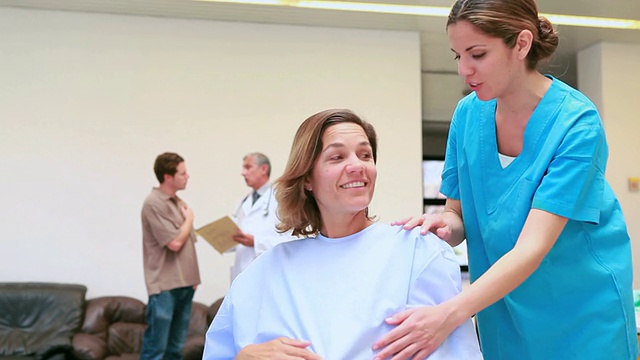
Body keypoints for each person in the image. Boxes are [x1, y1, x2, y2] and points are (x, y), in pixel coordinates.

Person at [372, 0, 638, 359]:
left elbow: (533, 246)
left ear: (522, 44)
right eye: (457, 56)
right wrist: (444, 226)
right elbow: (458, 213)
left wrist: (448, 315)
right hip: (502, 305)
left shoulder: (577, 123)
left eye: (477, 54)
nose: (464, 69)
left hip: (581, 310)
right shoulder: (467, 115)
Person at [203, 109, 482, 359]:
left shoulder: (416, 250)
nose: (357, 166)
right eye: (337, 157)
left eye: (365, 155)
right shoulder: (266, 270)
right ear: (308, 178)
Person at [140, 152, 201, 360]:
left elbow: (187, 244)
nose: (187, 177)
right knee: (156, 350)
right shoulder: (153, 203)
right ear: (168, 176)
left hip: (185, 284)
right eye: (182, 173)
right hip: (165, 286)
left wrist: (193, 280)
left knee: (175, 350)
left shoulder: (177, 202)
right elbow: (174, 243)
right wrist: (189, 220)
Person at [229, 152, 296, 282]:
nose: (243, 173)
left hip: (268, 273)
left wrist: (255, 242)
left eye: (248, 167)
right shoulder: (242, 202)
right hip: (242, 273)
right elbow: (238, 241)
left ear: (264, 169)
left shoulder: (281, 199)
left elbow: (291, 240)